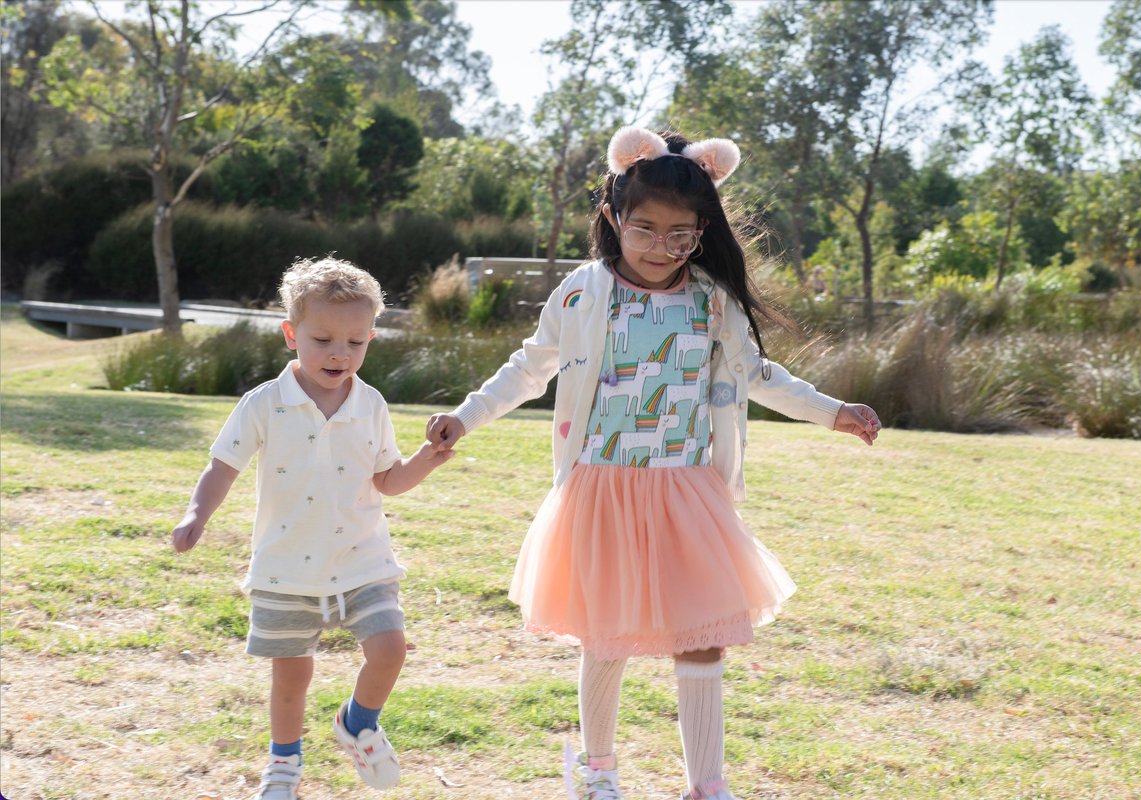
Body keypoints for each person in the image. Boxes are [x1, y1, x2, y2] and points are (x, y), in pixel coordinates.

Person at [426, 127, 881, 800]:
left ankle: (707, 785)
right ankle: (598, 771)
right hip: (603, 487)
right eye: (644, 229)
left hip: (687, 491)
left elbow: (757, 374)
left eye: (680, 235)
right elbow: (530, 367)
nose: (660, 247)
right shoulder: (584, 292)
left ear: (702, 232)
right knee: (607, 636)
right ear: (614, 217)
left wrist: (832, 410)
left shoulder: (711, 298)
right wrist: (465, 416)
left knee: (703, 636)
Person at [171, 257, 454, 800]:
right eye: (322, 339)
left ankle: (358, 722)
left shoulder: (371, 404)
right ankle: (284, 765)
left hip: (362, 560)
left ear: (371, 339)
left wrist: (425, 459)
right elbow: (222, 466)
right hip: (285, 568)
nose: (339, 354)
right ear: (290, 334)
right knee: (291, 677)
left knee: (390, 649)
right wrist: (196, 514)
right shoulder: (264, 403)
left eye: (355, 342)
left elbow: (387, 480)